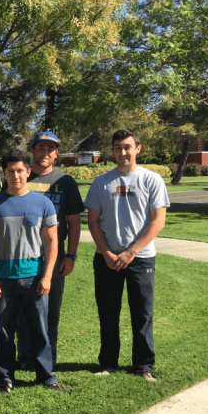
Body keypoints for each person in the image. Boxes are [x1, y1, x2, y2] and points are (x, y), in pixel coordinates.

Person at [85, 129, 169, 382]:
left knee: (142, 313)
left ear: (137, 149)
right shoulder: (101, 182)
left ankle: (143, 365)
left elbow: (158, 220)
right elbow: (93, 221)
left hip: (141, 258)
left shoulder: (152, 179)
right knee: (108, 313)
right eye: (117, 148)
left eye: (127, 147)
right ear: (113, 150)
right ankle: (108, 363)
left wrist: (132, 251)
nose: (122, 152)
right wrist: (107, 252)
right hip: (107, 259)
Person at [0, 149, 63, 394]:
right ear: (4, 173)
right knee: (5, 331)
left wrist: (47, 276)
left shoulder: (43, 203)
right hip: (3, 279)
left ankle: (46, 376)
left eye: (19, 171)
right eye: (10, 171)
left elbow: (52, 242)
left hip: (35, 277)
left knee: (40, 330)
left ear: (28, 171)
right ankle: (5, 377)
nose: (15, 176)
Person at [16, 131, 84, 370]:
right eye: (40, 148)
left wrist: (71, 255)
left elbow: (74, 222)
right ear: (32, 151)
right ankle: (25, 357)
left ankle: (48, 356)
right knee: (24, 310)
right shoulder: (20, 176)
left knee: (50, 310)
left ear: (56, 154)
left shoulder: (65, 182)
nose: (45, 153)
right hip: (22, 255)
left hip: (53, 256)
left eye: (50, 149)